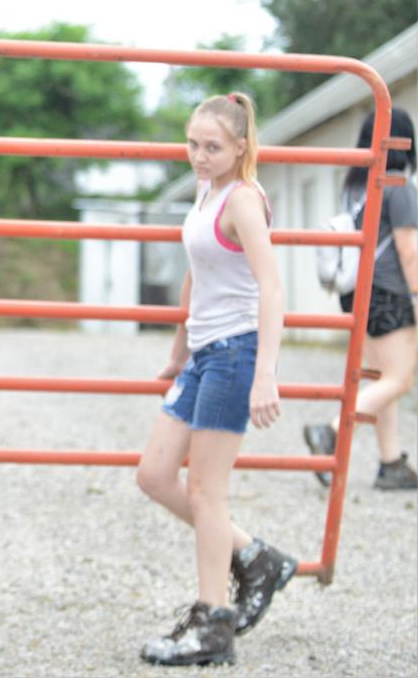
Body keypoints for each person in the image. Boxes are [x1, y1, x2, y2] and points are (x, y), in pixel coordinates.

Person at [135, 93, 297, 667]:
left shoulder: (244, 200)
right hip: (203, 354)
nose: (199, 157)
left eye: (213, 148)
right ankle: (255, 557)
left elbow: (272, 288)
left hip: (236, 355)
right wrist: (179, 350)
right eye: (193, 145)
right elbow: (196, 276)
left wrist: (266, 375)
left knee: (207, 492)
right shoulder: (205, 191)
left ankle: (213, 625)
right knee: (154, 474)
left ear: (240, 148)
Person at [304, 108, 418, 490]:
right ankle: (332, 432)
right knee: (399, 380)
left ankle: (391, 463)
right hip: (390, 295)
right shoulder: (398, 187)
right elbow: (410, 252)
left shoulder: (355, 186)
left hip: (358, 295)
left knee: (382, 379)